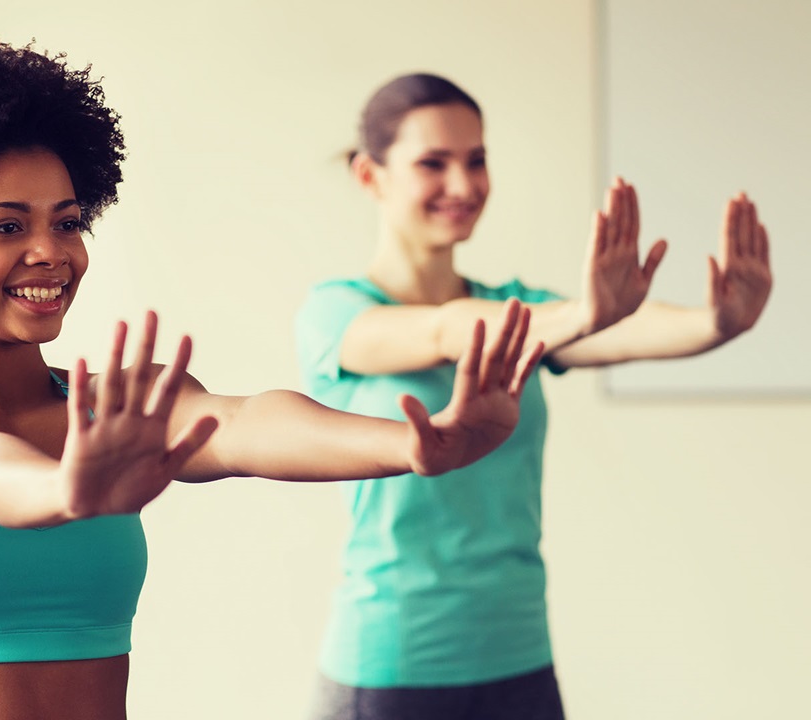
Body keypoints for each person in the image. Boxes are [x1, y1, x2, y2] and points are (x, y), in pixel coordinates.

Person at [0, 37, 546, 720]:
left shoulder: (109, 407)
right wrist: (64, 492)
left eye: (67, 220)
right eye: (7, 226)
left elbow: (248, 424)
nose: (52, 251)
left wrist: (416, 446)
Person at [296, 73, 773, 720]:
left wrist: (717, 323)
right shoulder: (337, 312)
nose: (463, 186)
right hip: (391, 667)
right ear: (368, 175)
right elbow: (445, 330)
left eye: (476, 160)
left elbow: (626, 334)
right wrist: (582, 316)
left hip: (519, 659)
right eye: (433, 163)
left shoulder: (520, 308)